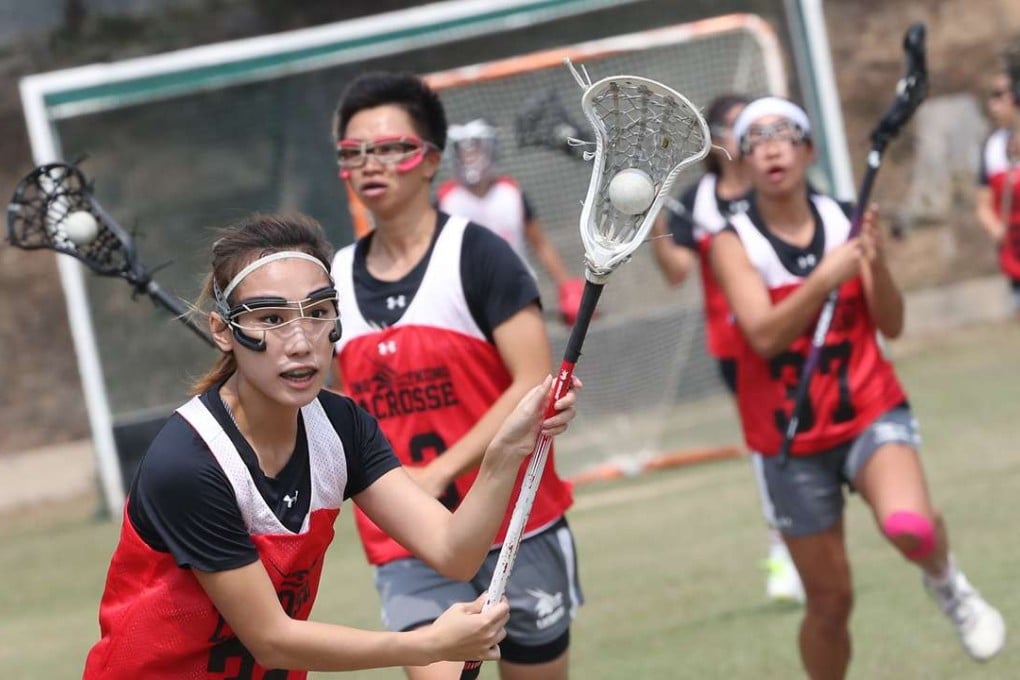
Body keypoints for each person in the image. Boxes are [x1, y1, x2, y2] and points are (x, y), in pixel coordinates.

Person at [82, 213, 580, 678]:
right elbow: (271, 640)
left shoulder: (342, 428)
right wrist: (430, 645)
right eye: (270, 318)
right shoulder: (189, 463)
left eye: (317, 313)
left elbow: (454, 553)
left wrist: (505, 452)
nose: (300, 342)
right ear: (222, 330)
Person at [710, 96, 1006, 679]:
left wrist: (876, 263)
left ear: (808, 150)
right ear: (743, 163)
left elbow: (891, 323)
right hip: (788, 437)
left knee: (910, 527)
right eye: (755, 139)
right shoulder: (731, 243)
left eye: (784, 134)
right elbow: (765, 336)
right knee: (830, 602)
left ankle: (948, 584)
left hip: (868, 408)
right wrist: (826, 276)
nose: (771, 147)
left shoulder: (849, 219)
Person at [330, 72, 581, 680]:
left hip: (515, 520)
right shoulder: (332, 278)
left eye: (391, 148)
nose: (371, 164)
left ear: (430, 161)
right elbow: (336, 406)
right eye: (354, 152)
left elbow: (531, 380)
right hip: (408, 533)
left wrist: (441, 470)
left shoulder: (479, 254)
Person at [649, 93, 805, 605]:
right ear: (714, 139)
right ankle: (783, 547)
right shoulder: (698, 201)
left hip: (796, 331)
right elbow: (675, 273)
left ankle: (812, 537)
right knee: (768, 447)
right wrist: (653, 215)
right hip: (736, 347)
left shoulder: (784, 190)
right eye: (735, 127)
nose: (747, 139)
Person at [437, 117, 586, 325]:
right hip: (466, 300)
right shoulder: (445, 200)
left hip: (516, 291)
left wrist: (566, 286)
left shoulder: (511, 192)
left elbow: (540, 244)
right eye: (464, 152)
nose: (471, 158)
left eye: (476, 149)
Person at [975, 70, 1020, 317]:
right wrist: (995, 229)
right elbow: (983, 202)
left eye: (999, 95)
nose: (993, 104)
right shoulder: (993, 147)